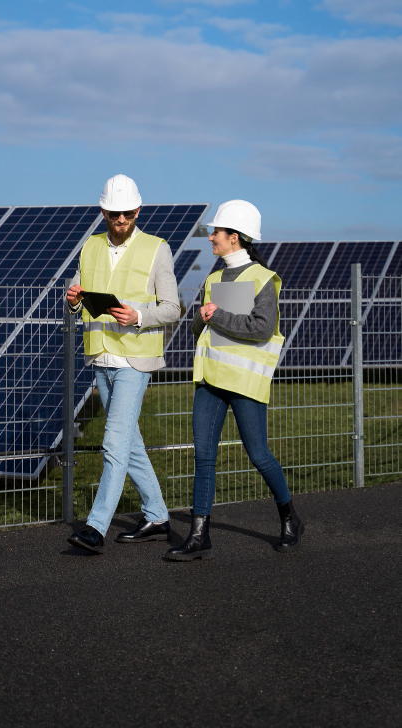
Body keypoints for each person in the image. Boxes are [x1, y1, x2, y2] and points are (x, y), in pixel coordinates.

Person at [165, 199, 303, 562]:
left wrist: (217, 314)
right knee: (204, 458)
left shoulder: (262, 278)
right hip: (209, 379)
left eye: (217, 232)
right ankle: (199, 535)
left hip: (244, 382)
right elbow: (202, 329)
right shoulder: (212, 279)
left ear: (235, 238)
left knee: (259, 455)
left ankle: (290, 518)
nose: (211, 237)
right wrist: (201, 317)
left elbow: (261, 329)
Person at [66, 175, 182, 553]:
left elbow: (172, 308)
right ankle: (158, 515)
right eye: (115, 212)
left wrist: (138, 316)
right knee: (129, 443)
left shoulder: (156, 249)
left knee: (113, 442)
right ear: (103, 211)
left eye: (128, 212)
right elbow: (80, 291)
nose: (122, 218)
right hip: (101, 355)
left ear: (138, 210)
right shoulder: (90, 247)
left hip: (135, 360)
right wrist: (72, 299)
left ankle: (95, 527)